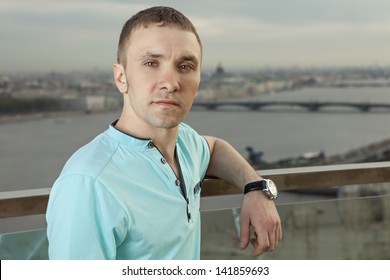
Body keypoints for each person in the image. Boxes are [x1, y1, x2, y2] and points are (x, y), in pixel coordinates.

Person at [46, 6, 282, 260]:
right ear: (121, 77)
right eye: (151, 63)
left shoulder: (186, 142)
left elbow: (213, 148)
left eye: (185, 66)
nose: (171, 83)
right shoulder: (89, 184)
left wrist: (256, 188)